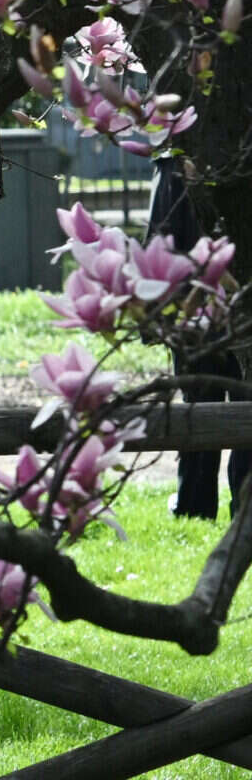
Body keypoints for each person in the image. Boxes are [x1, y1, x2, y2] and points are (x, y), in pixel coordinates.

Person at [148, 159, 244, 519]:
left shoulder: (173, 160)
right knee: (243, 401)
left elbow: (161, 236)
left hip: (193, 305)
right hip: (236, 302)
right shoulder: (236, 141)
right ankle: (242, 504)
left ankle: (194, 505)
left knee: (198, 403)